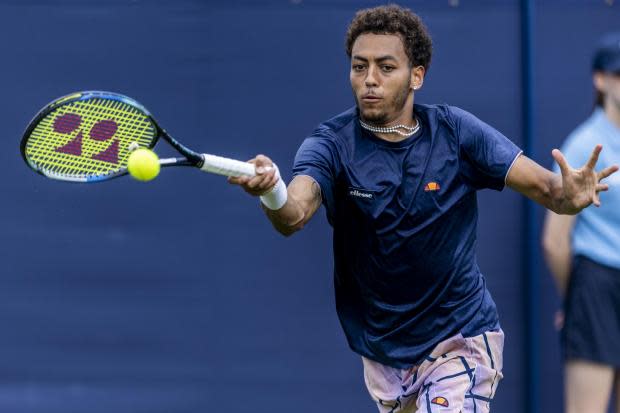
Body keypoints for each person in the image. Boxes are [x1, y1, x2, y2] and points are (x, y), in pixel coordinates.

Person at [230, 6, 617, 412]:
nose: (370, 80)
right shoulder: (330, 144)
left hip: (461, 335)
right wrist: (272, 189)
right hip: (384, 350)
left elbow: (549, 190)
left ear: (417, 75)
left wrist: (569, 195)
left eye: (385, 67)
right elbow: (293, 215)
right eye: (359, 67)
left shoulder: (457, 133)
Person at [542, 32, 620, 413]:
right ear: (600, 80)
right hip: (595, 286)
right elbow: (555, 241)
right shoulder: (583, 145)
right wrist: (574, 300)